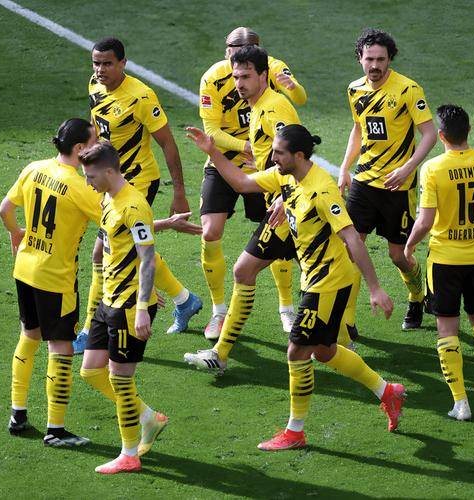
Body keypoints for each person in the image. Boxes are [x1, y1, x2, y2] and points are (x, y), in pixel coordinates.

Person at [187, 124, 406, 450]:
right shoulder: (286, 177)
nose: (273, 157)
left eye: (279, 152)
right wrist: (212, 151)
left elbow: (351, 238)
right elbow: (242, 183)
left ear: (299, 155)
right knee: (325, 352)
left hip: (328, 282)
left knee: (297, 351)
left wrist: (375, 288)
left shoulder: (323, 190)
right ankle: (388, 391)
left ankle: (295, 432)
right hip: (314, 279)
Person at [186, 45, 321, 374]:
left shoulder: (274, 108)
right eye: (236, 77)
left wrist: (283, 196)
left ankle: (339, 338)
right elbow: (256, 174)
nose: (239, 84)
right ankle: (220, 353)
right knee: (250, 271)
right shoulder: (259, 107)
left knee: (316, 275)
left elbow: (300, 156)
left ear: (263, 75)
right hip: (284, 203)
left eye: (246, 76)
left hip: (293, 208)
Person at [75, 37, 200, 353]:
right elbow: (97, 125)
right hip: (110, 181)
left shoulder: (141, 96)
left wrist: (179, 192)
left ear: (123, 63)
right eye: (96, 63)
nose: (100, 69)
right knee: (125, 246)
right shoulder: (94, 85)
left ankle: (89, 329)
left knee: (102, 252)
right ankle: (184, 299)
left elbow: (167, 143)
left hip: (138, 182)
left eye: (107, 63)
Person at [403, 105, 474, 421]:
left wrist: (409, 245)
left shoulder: (433, 169)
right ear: (469, 130)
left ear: (441, 136)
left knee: (447, 328)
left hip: (445, 261)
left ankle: (460, 403)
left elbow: (425, 222)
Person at [198, 26, 308, 340]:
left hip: (270, 166)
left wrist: (293, 86)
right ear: (226, 51)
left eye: (246, 52)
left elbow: (299, 103)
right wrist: (245, 147)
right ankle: (218, 312)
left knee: (279, 237)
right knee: (210, 231)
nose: (237, 59)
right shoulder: (213, 78)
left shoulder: (271, 73)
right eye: (233, 50)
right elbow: (211, 131)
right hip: (229, 160)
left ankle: (288, 308)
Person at [0, 118, 100, 447]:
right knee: (61, 347)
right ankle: (55, 430)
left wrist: (16, 233)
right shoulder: (81, 187)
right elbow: (118, 220)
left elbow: (4, 210)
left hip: (25, 269)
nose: (99, 146)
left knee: (29, 336)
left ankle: (17, 414)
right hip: (56, 279)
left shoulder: (34, 168)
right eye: (94, 141)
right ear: (79, 148)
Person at [338, 28, 437, 331]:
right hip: (364, 181)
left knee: (398, 255)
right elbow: (359, 128)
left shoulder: (408, 89)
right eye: (369, 59)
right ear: (360, 58)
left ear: (390, 59)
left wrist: (408, 168)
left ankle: (417, 296)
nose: (375, 65)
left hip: (398, 186)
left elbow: (429, 134)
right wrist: (344, 167)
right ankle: (347, 321)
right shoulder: (355, 90)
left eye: (380, 59)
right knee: (351, 247)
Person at [77, 142, 165, 474]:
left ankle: (129, 454)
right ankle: (148, 418)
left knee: (121, 381)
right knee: (90, 370)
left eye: (91, 176)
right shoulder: (108, 199)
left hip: (129, 306)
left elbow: (148, 259)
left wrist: (143, 307)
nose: (88, 183)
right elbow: (110, 243)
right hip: (109, 300)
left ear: (109, 171)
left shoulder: (134, 206)